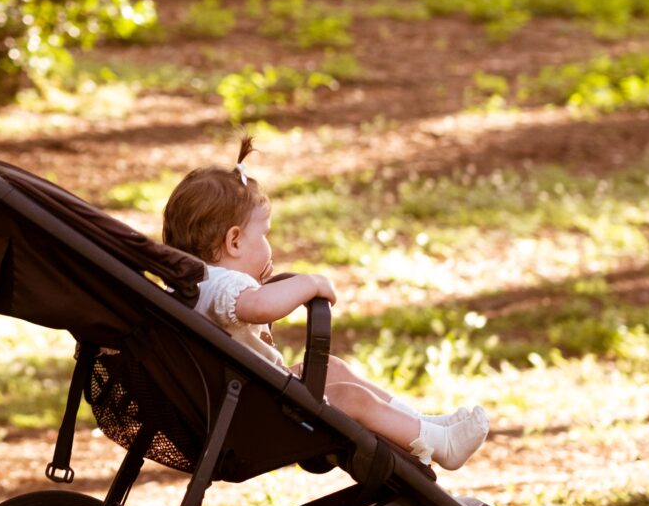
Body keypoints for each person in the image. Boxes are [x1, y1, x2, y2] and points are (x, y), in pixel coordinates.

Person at [161, 139, 490, 470]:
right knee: (350, 398)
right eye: (264, 235)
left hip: (243, 401)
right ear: (234, 241)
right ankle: (441, 445)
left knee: (332, 369)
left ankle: (425, 426)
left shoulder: (195, 285)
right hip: (249, 414)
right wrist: (310, 283)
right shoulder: (221, 283)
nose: (268, 244)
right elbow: (260, 307)